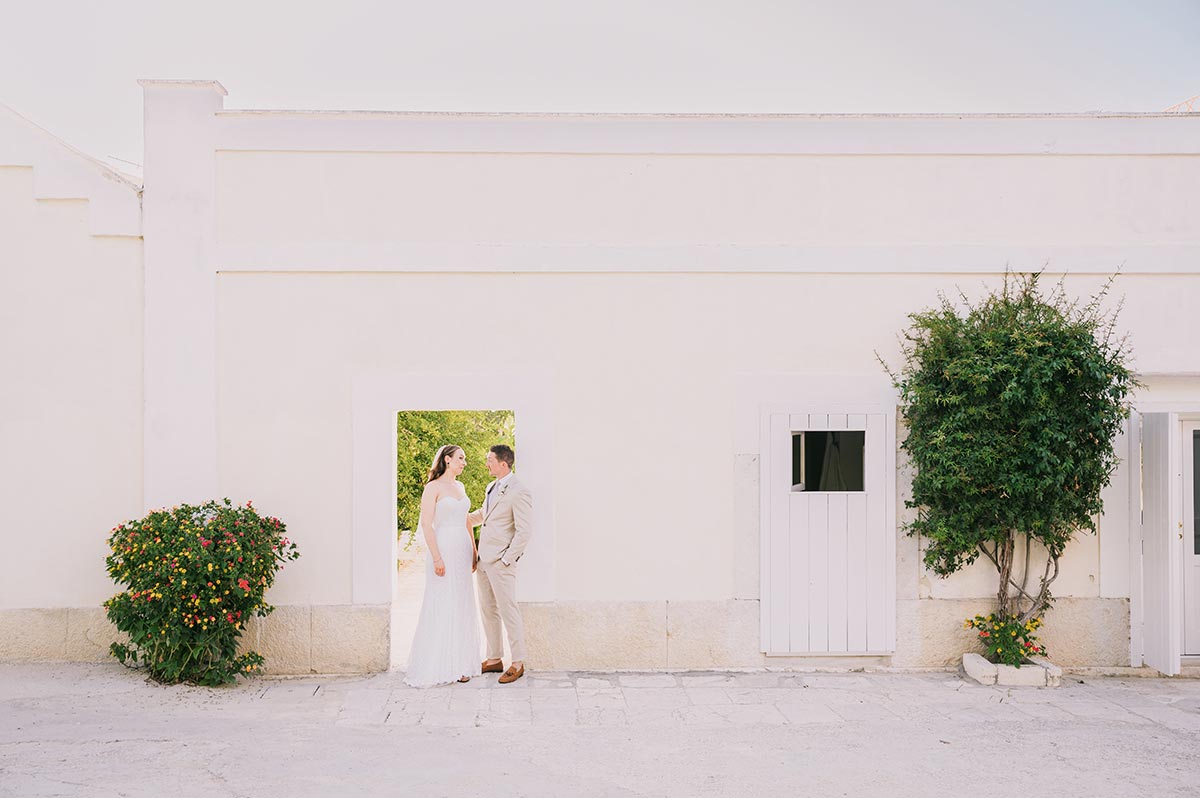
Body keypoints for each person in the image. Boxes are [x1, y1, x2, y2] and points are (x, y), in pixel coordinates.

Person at [403, 445, 482, 688]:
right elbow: (427, 525)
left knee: (461, 602)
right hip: (444, 549)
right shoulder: (433, 487)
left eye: (464, 459)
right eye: (460, 458)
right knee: (443, 601)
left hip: (462, 549)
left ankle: (461, 663)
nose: (464, 462)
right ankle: (440, 663)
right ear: (447, 460)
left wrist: (474, 551)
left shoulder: (460, 487)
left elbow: (466, 521)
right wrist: (437, 557)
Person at [467, 444, 533, 684]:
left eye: (489, 460)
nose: (487, 464)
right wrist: (457, 517)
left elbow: (524, 531)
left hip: (501, 563)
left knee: (508, 610)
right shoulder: (491, 487)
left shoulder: (519, 491)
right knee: (488, 610)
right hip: (484, 561)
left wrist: (507, 559)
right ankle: (494, 658)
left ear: (503, 464)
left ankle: (518, 662)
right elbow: (484, 516)